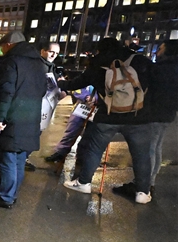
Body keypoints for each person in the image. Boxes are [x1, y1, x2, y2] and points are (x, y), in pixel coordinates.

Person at [59, 38, 154, 204]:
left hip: (107, 116)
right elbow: (155, 84)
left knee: (94, 149)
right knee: (141, 155)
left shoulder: (98, 62)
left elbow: (79, 82)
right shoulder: (140, 60)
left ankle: (84, 183)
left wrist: (62, 84)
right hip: (139, 117)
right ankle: (142, 192)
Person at [0, 31, 47, 208]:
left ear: (9, 44)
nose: (2, 50)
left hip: (12, 118)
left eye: (2, 46)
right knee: (19, 160)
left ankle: (4, 196)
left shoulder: (11, 62)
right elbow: (43, 90)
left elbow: (5, 92)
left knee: (6, 157)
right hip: (30, 118)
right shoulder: (39, 62)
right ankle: (11, 193)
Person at [112, 39, 177, 199]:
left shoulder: (162, 69)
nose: (157, 51)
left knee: (149, 149)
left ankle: (143, 186)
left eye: (160, 49)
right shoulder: (173, 68)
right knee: (156, 147)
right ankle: (148, 184)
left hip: (155, 113)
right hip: (167, 114)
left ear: (168, 51)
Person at [24, 42, 65, 170]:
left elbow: (60, 88)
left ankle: (24, 157)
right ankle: (20, 158)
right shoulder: (33, 65)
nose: (53, 55)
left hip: (45, 108)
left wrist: (63, 89)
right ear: (43, 51)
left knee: (36, 134)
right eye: (51, 51)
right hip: (30, 106)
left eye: (56, 53)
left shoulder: (53, 68)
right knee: (27, 133)